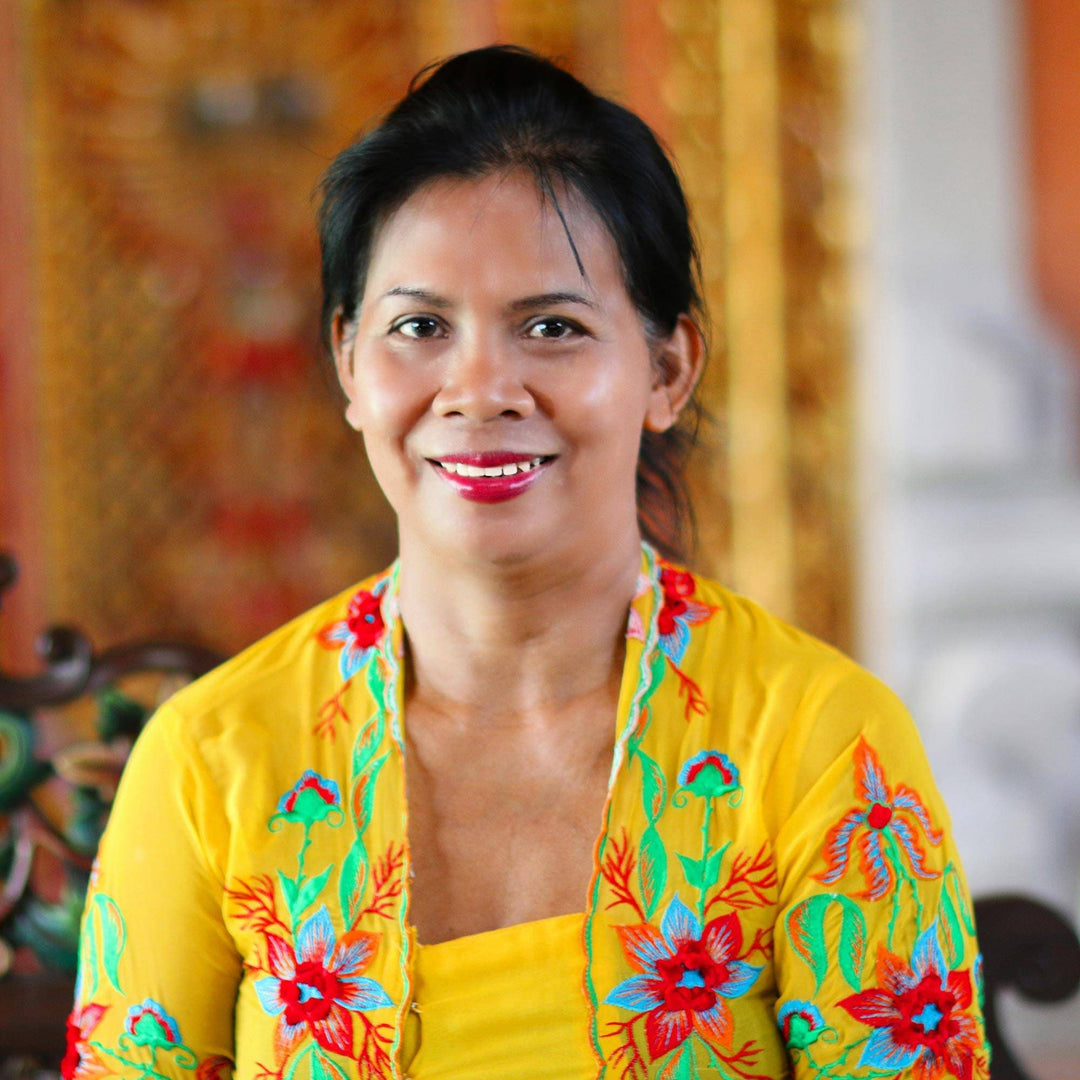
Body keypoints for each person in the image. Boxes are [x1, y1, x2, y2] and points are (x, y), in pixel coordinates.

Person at [66, 46, 988, 1080]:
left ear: (668, 367)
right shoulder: (213, 760)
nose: (479, 390)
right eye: (419, 326)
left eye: (552, 326)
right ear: (349, 366)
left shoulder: (819, 746)